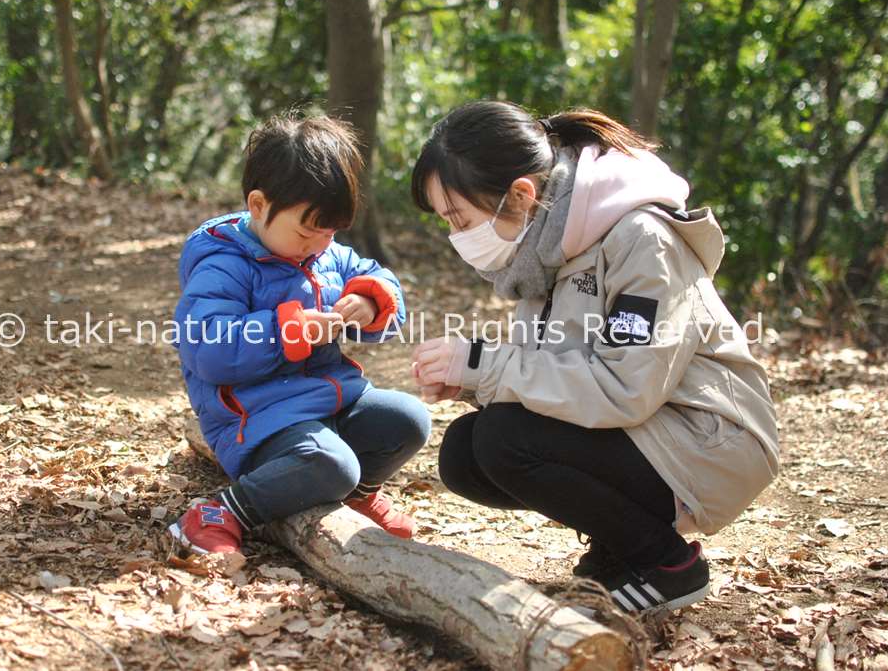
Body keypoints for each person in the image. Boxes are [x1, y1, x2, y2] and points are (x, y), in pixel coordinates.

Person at [410, 101, 779, 614]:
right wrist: (473, 379)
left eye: (460, 218)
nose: (457, 236)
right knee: (466, 453)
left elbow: (624, 388)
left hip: (709, 440)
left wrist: (483, 365)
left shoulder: (641, 239)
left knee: (502, 441)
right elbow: (557, 367)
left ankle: (668, 565)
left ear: (521, 194)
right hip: (649, 427)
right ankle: (616, 554)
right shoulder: (545, 246)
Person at [169, 114, 430, 555]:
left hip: (331, 398)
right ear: (258, 205)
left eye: (330, 233)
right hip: (257, 419)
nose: (319, 245)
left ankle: (357, 495)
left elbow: (377, 278)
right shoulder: (223, 264)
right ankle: (222, 511)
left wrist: (369, 302)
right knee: (332, 464)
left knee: (408, 420)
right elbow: (207, 348)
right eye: (308, 230)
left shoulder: (326, 253)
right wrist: (287, 330)